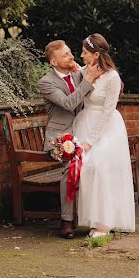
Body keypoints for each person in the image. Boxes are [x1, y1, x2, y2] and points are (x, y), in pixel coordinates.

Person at [38, 39, 103, 238]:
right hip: (58, 138)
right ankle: (66, 221)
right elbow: (68, 103)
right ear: (54, 62)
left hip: (81, 132)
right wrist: (87, 81)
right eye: (65, 55)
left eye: (70, 52)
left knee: (99, 161)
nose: (71, 56)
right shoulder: (46, 83)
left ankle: (96, 216)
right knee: (71, 166)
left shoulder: (78, 72)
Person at [72, 33, 136, 237]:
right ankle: (90, 219)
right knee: (84, 169)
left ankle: (104, 223)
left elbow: (108, 111)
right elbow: (73, 72)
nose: (81, 55)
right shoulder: (84, 71)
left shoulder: (112, 77)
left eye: (84, 52)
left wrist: (90, 141)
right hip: (84, 122)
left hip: (107, 128)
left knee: (98, 166)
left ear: (96, 54)